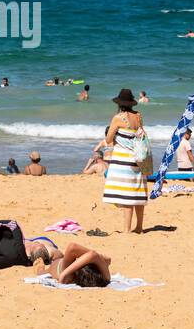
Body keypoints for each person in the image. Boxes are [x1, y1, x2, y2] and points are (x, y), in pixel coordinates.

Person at [102, 88, 148, 232]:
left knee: (126, 195)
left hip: (123, 159)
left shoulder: (118, 118)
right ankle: (139, 227)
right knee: (137, 192)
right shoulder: (139, 116)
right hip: (138, 158)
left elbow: (108, 139)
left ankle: (126, 229)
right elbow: (140, 135)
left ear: (120, 103)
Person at [37, 241, 112, 287]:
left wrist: (65, 274)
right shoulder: (106, 277)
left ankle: (40, 267)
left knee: (41, 271)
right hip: (62, 266)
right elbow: (96, 256)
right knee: (56, 255)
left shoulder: (68, 277)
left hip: (59, 268)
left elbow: (72, 247)